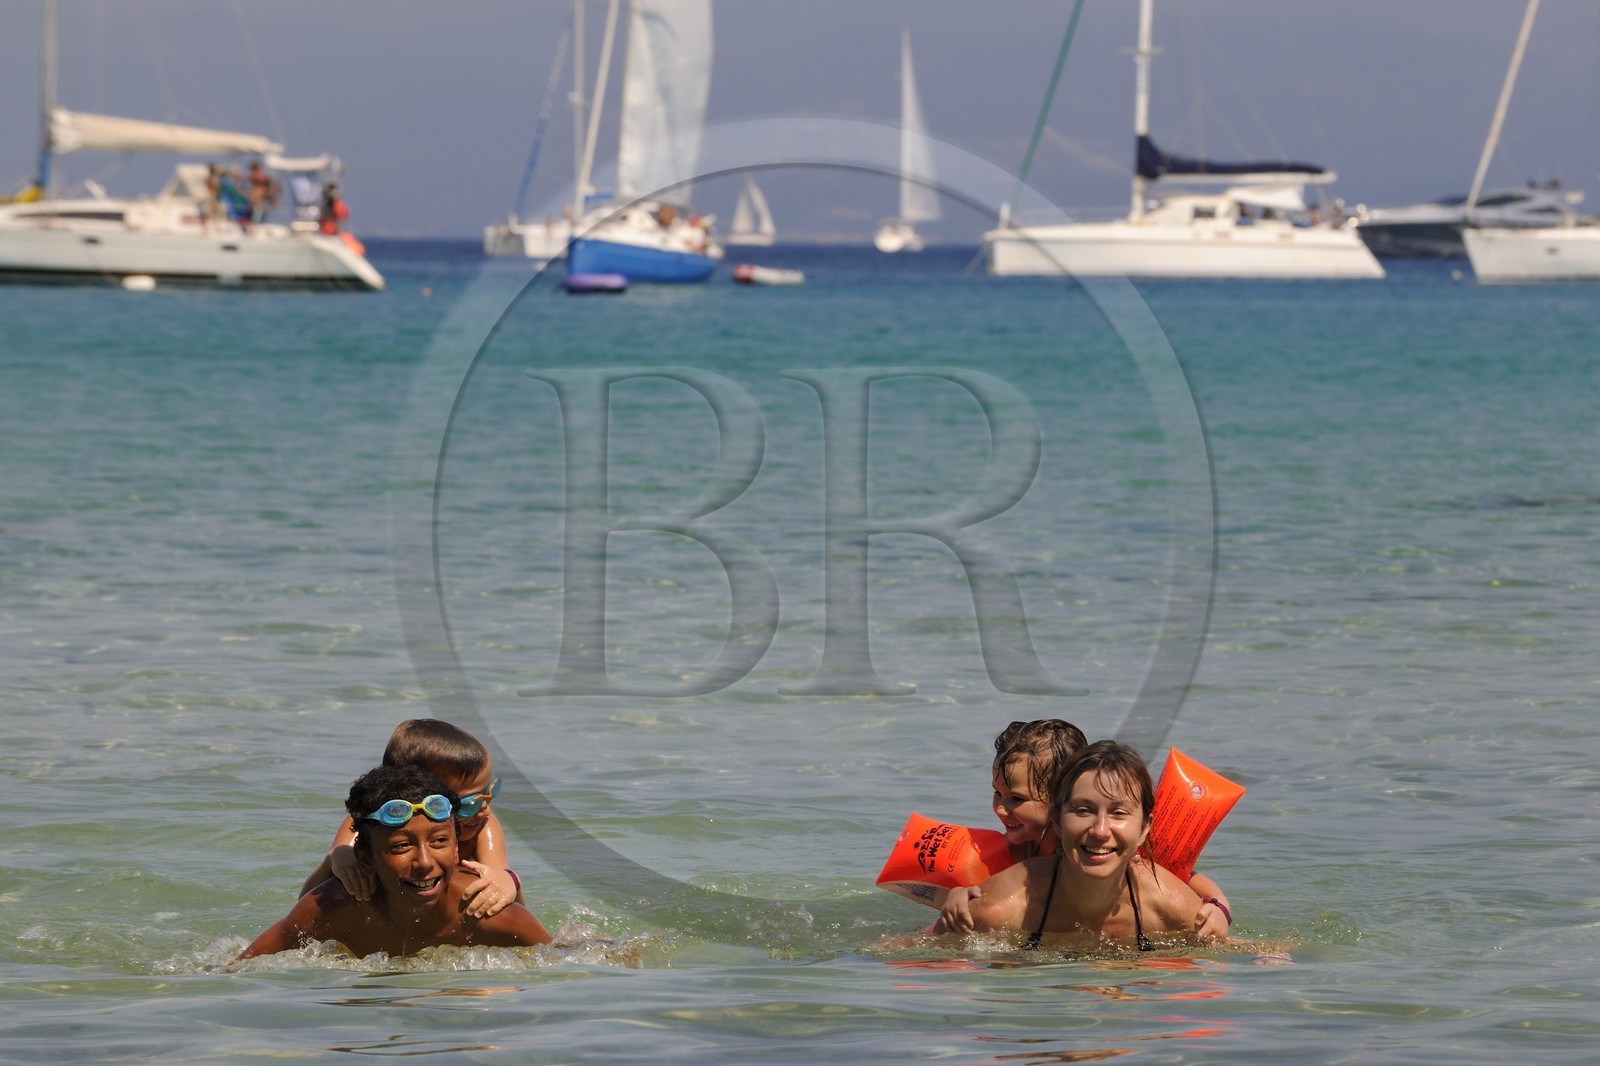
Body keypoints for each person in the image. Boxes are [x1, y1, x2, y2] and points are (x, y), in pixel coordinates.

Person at [937, 720, 1232, 940]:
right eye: (1083, 809)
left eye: (1017, 799)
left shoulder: (1141, 868)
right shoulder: (1013, 874)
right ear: (1058, 815)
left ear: (1144, 829)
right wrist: (958, 896)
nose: (1100, 830)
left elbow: (1191, 879)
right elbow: (973, 899)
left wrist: (1219, 907)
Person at [240, 765, 551, 960]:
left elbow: (565, 969)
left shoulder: (487, 914)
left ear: (458, 848)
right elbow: (238, 973)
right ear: (365, 856)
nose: (424, 862)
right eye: (401, 846)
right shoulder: (333, 909)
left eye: (440, 841)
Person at [300, 719, 520, 919]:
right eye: (468, 803)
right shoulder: (369, 823)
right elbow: (305, 903)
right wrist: (335, 858)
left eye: (491, 791)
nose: (485, 809)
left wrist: (509, 880)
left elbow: (505, 894)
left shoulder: (483, 827)